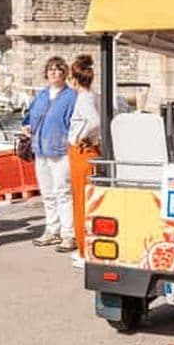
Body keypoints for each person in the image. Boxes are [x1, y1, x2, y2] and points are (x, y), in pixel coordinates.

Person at [23, 56, 77, 252]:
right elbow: (29, 116)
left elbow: (74, 122)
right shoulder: (42, 95)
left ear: (65, 73)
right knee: (47, 193)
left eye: (58, 69)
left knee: (63, 192)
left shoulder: (72, 96)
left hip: (61, 151)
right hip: (41, 150)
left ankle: (68, 233)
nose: (54, 72)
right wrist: (26, 126)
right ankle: (52, 229)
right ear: (46, 73)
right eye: (51, 69)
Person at [67, 54, 101, 269]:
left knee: (81, 200)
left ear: (74, 79)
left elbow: (95, 121)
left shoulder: (83, 98)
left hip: (82, 151)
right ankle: (86, 247)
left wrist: (84, 136)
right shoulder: (94, 96)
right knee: (88, 199)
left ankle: (83, 250)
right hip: (91, 150)